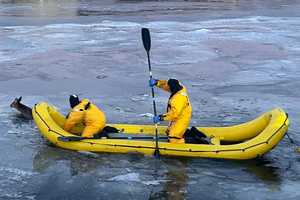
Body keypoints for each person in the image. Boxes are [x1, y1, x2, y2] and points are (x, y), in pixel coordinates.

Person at [149, 78, 192, 144]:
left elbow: (175, 114)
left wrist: (161, 117)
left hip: (181, 117)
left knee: (173, 139)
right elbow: (167, 85)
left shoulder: (179, 98)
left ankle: (193, 140)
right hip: (179, 113)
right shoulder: (179, 86)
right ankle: (186, 132)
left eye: (169, 87)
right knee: (169, 132)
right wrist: (157, 82)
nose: (167, 87)